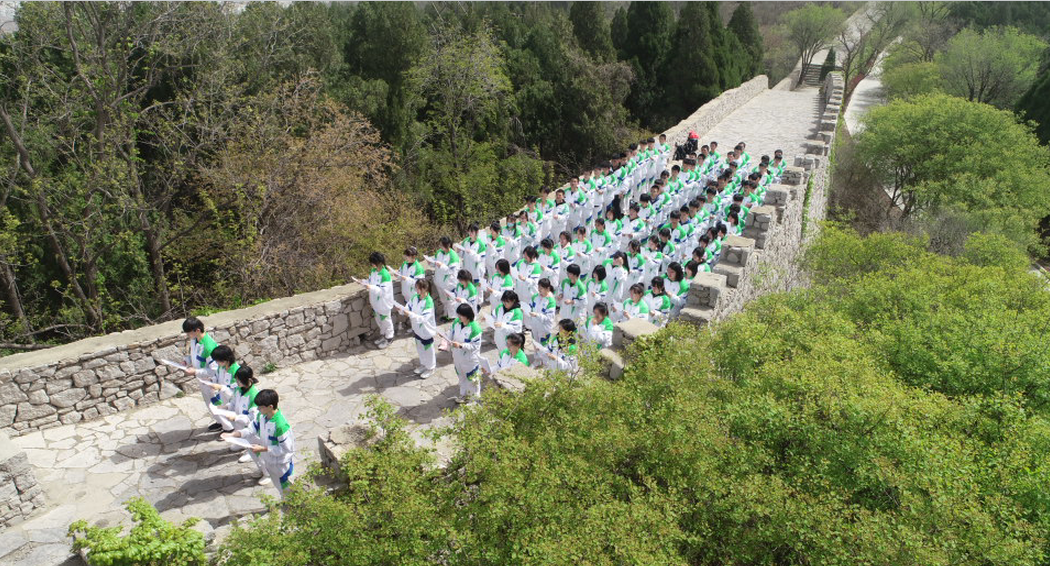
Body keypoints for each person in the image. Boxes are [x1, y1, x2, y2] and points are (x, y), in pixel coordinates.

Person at [224, 388, 295, 496]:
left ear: (270, 407)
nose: (257, 409)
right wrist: (232, 435)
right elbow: (251, 429)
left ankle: (292, 507)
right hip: (269, 460)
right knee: (278, 486)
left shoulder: (281, 426)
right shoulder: (261, 416)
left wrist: (263, 449)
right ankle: (285, 501)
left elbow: (286, 449)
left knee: (286, 488)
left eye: (260, 407)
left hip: (281, 464)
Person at [181, 317, 221, 432]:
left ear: (197, 330)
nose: (188, 335)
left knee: (217, 403)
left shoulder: (208, 346)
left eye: (189, 332)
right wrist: (187, 361)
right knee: (209, 403)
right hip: (203, 380)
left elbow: (214, 369)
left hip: (212, 381)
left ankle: (228, 427)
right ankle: (219, 422)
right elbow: (195, 356)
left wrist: (196, 372)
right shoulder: (195, 341)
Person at [395, 278, 438, 379]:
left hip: (426, 330)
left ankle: (431, 367)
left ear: (425, 288)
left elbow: (423, 318)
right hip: (417, 329)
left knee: (428, 349)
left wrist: (409, 313)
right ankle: (423, 365)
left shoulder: (429, 302)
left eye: (419, 288)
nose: (417, 290)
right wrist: (401, 310)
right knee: (419, 347)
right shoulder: (415, 297)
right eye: (416, 288)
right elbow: (408, 308)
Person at [220, 365, 260, 463]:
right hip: (239, 421)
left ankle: (249, 452)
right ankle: (240, 443)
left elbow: (252, 417)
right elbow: (233, 401)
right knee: (240, 431)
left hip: (249, 425)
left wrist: (236, 418)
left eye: (239, 380)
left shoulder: (254, 394)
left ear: (248, 380)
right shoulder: (239, 389)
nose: (237, 383)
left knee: (251, 439)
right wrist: (226, 407)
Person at [448, 303, 484, 404]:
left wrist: (460, 345)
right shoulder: (456, 322)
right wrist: (445, 340)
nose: (459, 317)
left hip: (470, 360)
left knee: (472, 379)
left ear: (468, 316)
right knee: (461, 377)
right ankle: (463, 394)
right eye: (458, 315)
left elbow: (474, 346)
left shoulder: (475, 328)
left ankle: (473, 399)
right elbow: (451, 332)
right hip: (457, 357)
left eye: (461, 315)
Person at [201, 345, 239, 433]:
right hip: (223, 396)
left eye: (218, 360)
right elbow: (217, 377)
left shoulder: (236, 370)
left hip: (232, 399)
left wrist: (221, 388)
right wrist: (212, 380)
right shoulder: (221, 367)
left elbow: (236, 389)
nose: (216, 363)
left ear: (226, 359)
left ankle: (230, 429)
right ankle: (223, 424)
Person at [360, 252, 395, 349]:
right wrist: (363, 282)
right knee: (379, 321)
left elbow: (383, 292)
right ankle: (383, 336)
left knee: (386, 321)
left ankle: (389, 338)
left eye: (372, 263)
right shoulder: (373, 271)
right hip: (375, 303)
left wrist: (370, 287)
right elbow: (370, 282)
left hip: (383, 304)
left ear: (378, 262)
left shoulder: (385, 275)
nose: (372, 265)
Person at [394, 247, 426, 335]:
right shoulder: (404, 264)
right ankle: (414, 328)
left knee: (416, 312)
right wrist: (397, 274)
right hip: (406, 293)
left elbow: (419, 283)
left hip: (414, 294)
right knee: (411, 311)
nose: (405, 258)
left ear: (414, 257)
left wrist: (406, 279)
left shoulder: (418, 268)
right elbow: (400, 273)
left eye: (407, 256)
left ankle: (418, 329)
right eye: (405, 256)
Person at [430, 237, 461, 321]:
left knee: (450, 300)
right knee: (443, 299)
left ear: (447, 245)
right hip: (439, 281)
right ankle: (446, 313)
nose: (440, 246)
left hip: (449, 282)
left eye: (441, 245)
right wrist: (431, 263)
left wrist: (442, 266)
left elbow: (451, 271)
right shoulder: (439, 253)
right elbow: (435, 263)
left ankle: (452, 316)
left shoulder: (453, 255)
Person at [526, 278, 558, 350]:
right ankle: (537, 359)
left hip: (544, 327)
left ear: (547, 289)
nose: (539, 289)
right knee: (535, 343)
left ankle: (544, 360)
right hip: (534, 324)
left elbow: (549, 317)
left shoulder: (551, 301)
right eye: (539, 287)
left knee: (544, 345)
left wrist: (537, 315)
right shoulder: (535, 297)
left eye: (541, 288)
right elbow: (530, 307)